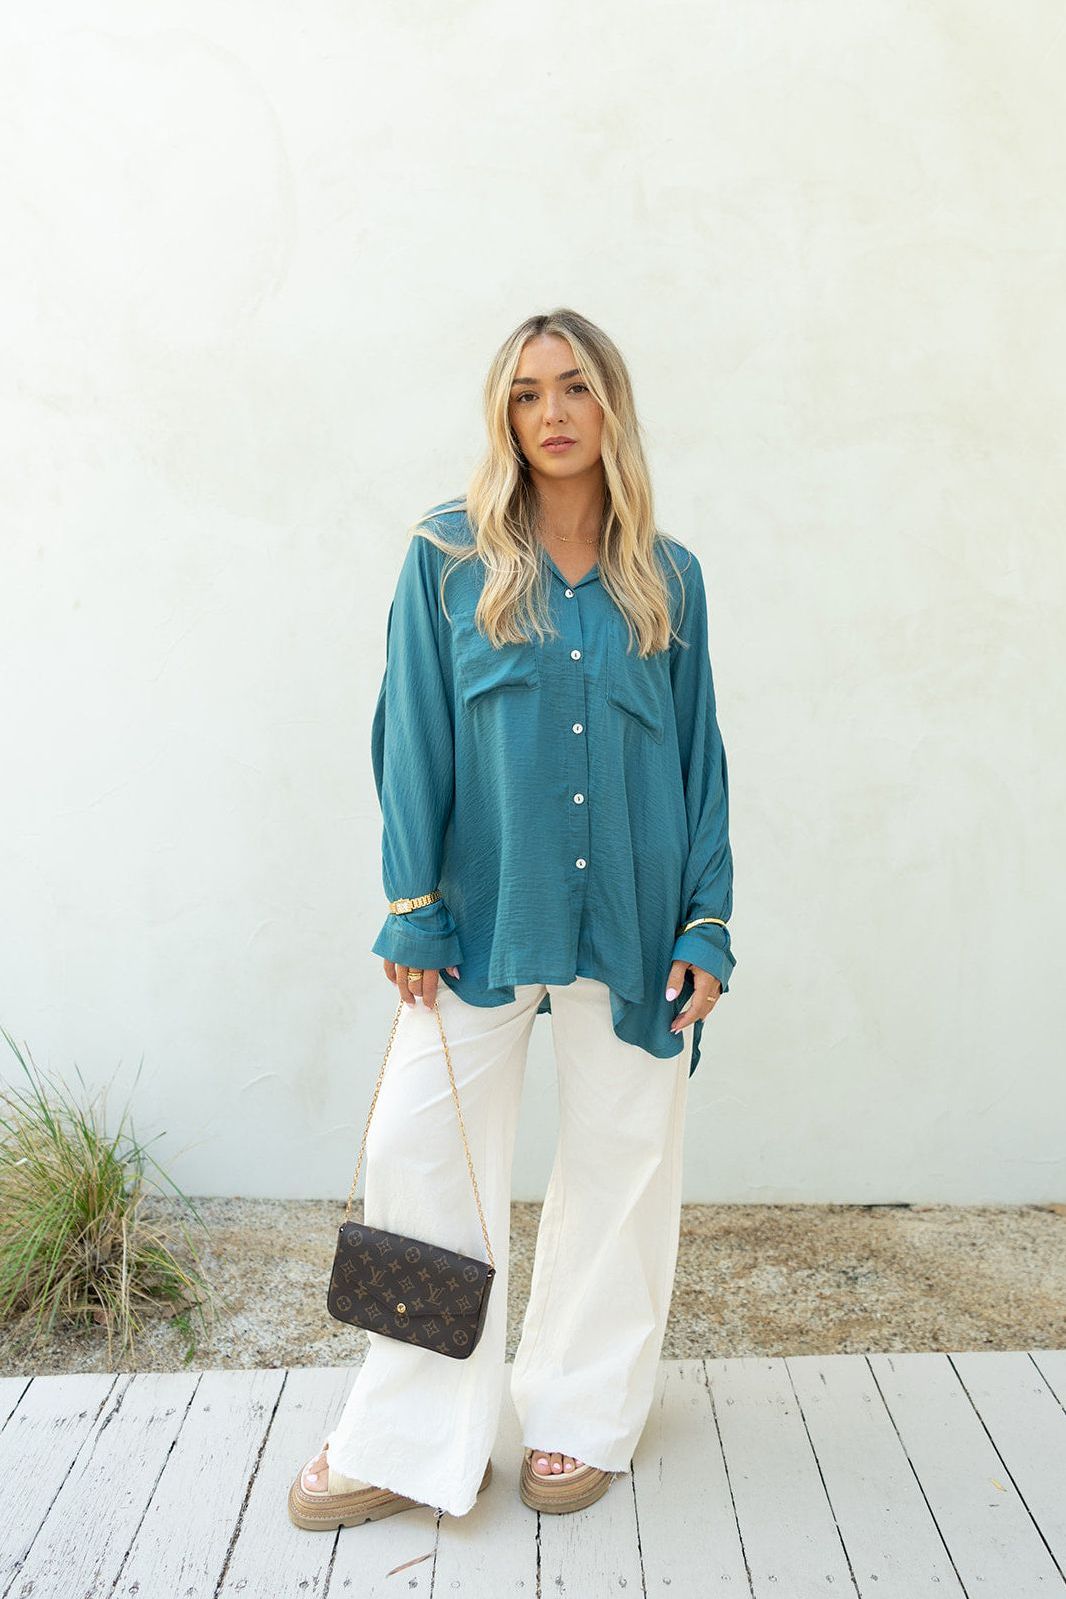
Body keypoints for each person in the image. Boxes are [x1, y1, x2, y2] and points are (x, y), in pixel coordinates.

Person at [287, 307, 736, 1530]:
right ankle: (404, 1436)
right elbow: (410, 737)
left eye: (574, 386)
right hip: (478, 923)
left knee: (621, 1167)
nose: (552, 412)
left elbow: (698, 760)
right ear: (505, 414)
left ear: (609, 405)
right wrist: (410, 904)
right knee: (418, 1155)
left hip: (637, 926)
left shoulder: (668, 578)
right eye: (528, 392)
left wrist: (706, 924)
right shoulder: (446, 557)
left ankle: (580, 1412)